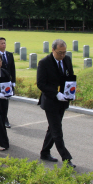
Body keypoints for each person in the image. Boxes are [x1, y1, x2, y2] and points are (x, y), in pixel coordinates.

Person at [36, 38, 76, 167]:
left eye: (64, 52)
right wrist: (55, 93)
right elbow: (41, 83)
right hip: (51, 101)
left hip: (63, 101)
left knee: (52, 128)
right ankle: (66, 158)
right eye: (60, 52)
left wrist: (71, 92)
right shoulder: (44, 63)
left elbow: (70, 76)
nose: (62, 55)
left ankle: (45, 152)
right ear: (53, 50)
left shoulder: (67, 60)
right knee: (57, 130)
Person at [0, 37, 16, 128]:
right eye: (2, 43)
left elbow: (12, 68)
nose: (4, 45)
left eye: (4, 43)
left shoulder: (9, 55)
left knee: (6, 101)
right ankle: (1, 118)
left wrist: (13, 81)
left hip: (8, 82)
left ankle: (5, 118)